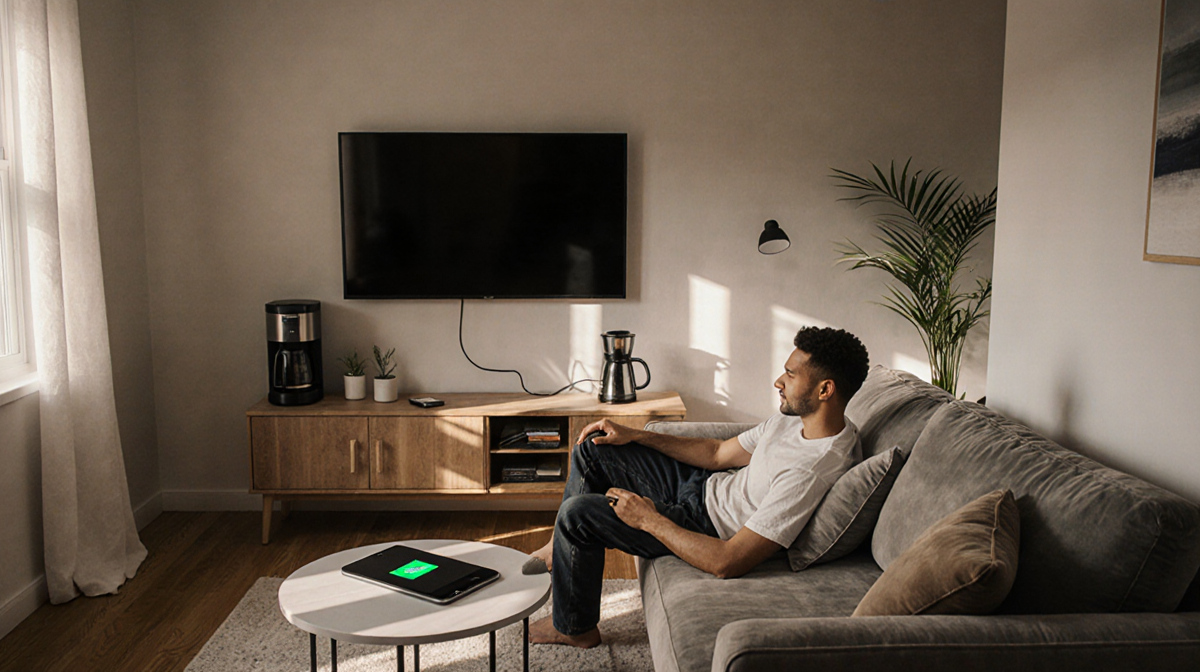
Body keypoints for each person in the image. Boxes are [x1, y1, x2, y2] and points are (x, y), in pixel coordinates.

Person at [526, 326, 871, 648]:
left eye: (791, 375)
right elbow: (718, 453)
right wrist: (635, 434)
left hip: (702, 527)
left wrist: (648, 519)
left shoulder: (810, 472)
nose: (779, 381)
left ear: (825, 390)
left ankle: (574, 628)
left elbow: (729, 561)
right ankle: (556, 547)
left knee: (577, 515)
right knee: (595, 447)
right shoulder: (793, 420)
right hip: (704, 488)